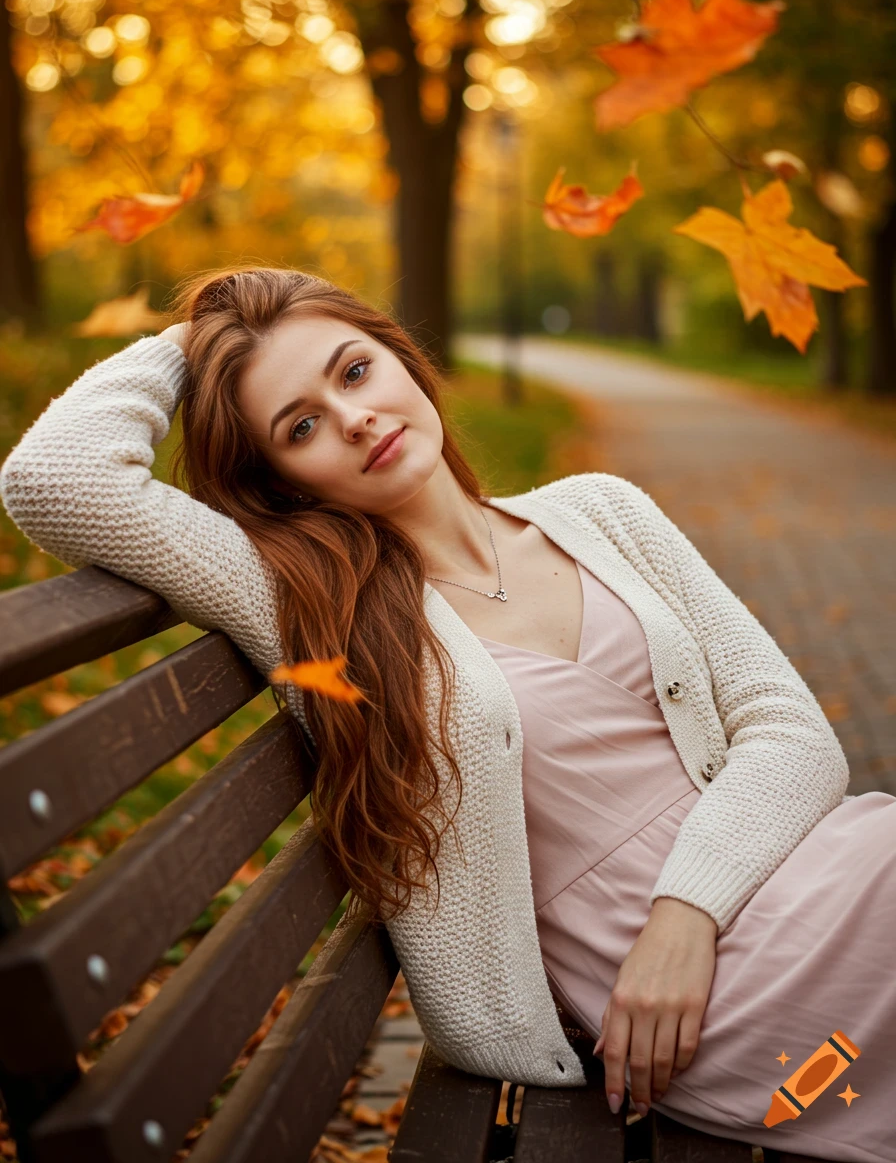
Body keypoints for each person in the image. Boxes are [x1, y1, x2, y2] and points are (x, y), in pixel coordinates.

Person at [2, 267, 893, 1163]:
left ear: (403, 358)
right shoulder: (312, 604)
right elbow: (55, 480)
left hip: (789, 885)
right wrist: (195, 338)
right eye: (300, 426)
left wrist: (686, 913)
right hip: (705, 999)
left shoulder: (604, 511)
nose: (352, 418)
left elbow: (793, 734)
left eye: (354, 371)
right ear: (284, 482)